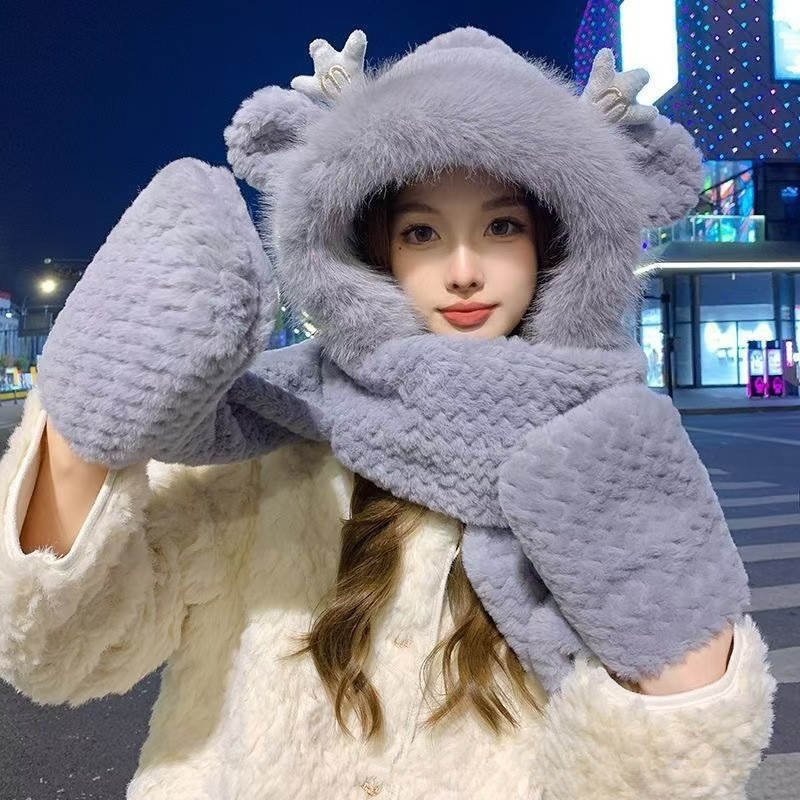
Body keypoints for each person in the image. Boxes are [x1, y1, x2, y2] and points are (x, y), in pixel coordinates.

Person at [0, 28, 775, 799]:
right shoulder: (270, 432)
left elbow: (666, 777)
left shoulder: (609, 456)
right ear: (371, 250)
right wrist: (82, 423)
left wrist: (683, 681)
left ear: (558, 244)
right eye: (422, 232)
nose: (464, 271)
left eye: (502, 226)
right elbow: (62, 650)